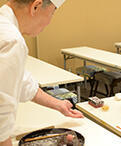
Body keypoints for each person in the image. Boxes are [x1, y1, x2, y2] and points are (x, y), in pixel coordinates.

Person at [0, 0, 84, 145]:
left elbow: (22, 83)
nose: (49, 22)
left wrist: (59, 105)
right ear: (36, 6)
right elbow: (1, 117)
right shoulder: (11, 40)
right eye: (52, 13)